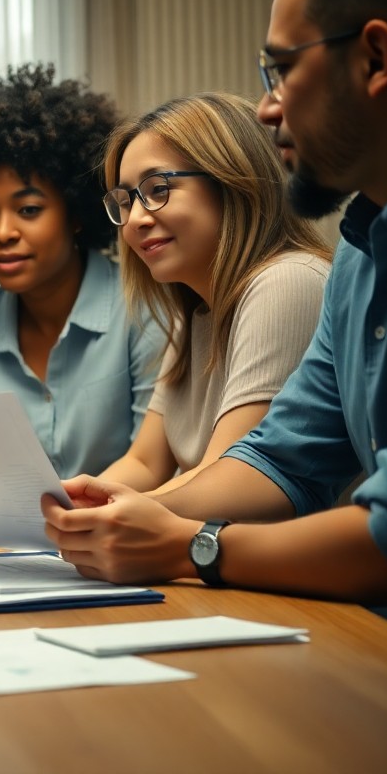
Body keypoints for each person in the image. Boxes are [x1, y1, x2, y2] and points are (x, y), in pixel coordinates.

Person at [43, 0, 387, 604]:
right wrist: (100, 511)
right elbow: (275, 460)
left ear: (376, 58)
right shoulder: (356, 258)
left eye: (284, 69)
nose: (269, 109)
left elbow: (386, 533)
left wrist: (182, 542)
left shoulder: (290, 281)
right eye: (125, 201)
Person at [0, 64, 164, 478]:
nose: (2, 232)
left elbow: (152, 467)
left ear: (77, 213)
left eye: (29, 210)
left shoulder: (143, 311)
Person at [95, 92, 332, 494]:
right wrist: (62, 506)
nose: (134, 220)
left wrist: (102, 517)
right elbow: (144, 462)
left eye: (157, 189)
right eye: (126, 200)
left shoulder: (289, 281)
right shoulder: (197, 311)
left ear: (232, 180)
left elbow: (228, 473)